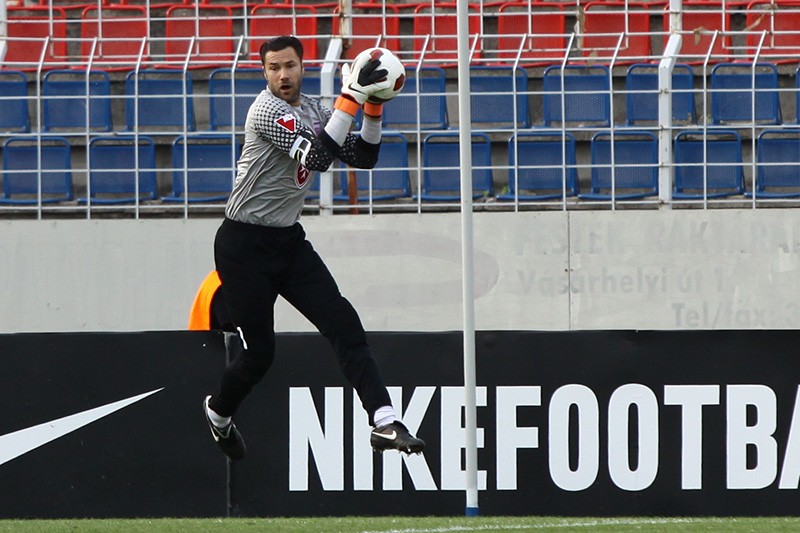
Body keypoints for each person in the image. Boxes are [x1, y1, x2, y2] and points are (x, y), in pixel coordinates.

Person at [202, 36, 425, 461]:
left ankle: (384, 421)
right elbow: (319, 159)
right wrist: (352, 97)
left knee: (344, 324)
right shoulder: (265, 110)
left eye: (289, 65)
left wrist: (372, 107)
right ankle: (218, 413)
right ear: (264, 72)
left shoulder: (312, 109)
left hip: (287, 241)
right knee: (259, 355)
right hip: (243, 245)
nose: (283, 75)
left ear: (302, 67)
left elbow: (364, 156)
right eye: (273, 68)